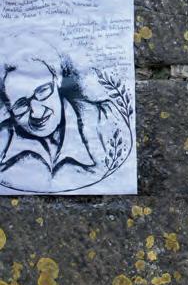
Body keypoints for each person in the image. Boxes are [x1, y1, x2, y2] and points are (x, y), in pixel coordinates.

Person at [0, 36, 122, 193]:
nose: (37, 113)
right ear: (8, 108)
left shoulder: (109, 121)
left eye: (42, 91)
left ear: (57, 79)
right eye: (20, 105)